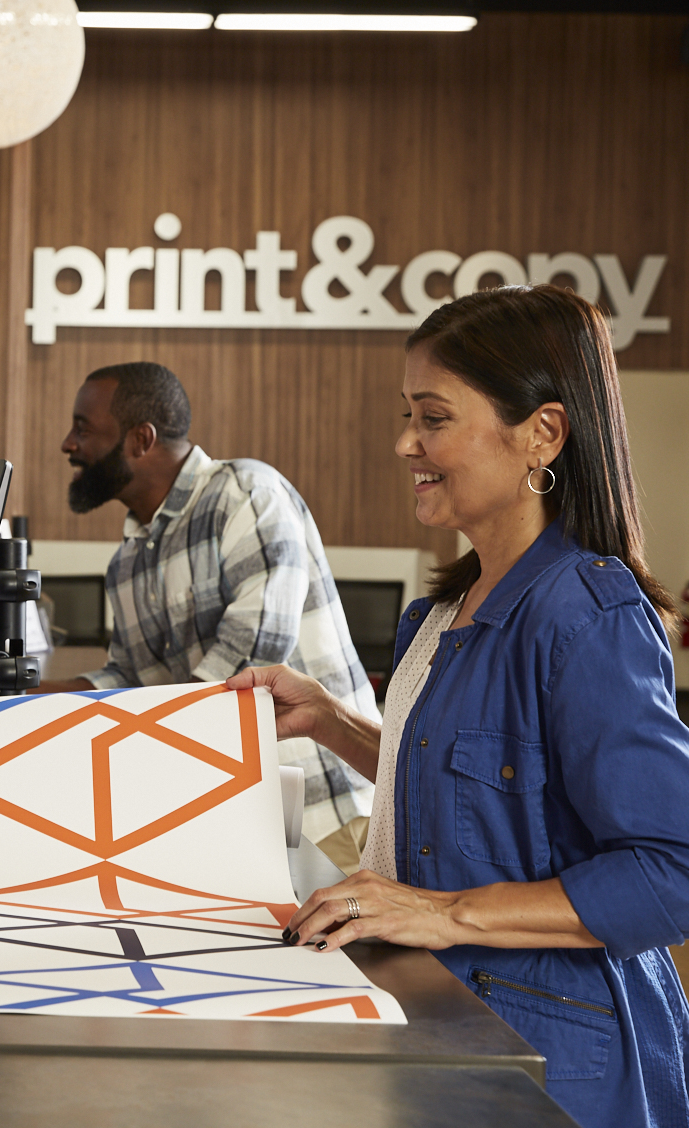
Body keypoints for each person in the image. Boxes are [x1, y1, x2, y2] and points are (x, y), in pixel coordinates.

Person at [230, 286, 689, 1128]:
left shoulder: (587, 616)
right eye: (406, 415)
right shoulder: (438, 614)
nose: (405, 442)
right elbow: (470, 786)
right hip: (442, 1019)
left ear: (541, 434)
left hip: (550, 1056)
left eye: (433, 418)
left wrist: (440, 912)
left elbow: (670, 872)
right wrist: (330, 722)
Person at [38, 361, 378, 863]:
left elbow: (252, 663)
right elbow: (129, 679)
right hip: (234, 823)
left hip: (321, 815)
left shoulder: (246, 495)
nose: (69, 444)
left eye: (83, 429)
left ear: (140, 439)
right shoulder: (126, 564)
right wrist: (18, 697)